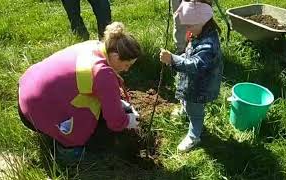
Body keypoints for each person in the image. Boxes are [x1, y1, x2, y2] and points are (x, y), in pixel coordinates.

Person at [18, 22, 141, 161]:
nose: (127, 70)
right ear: (116, 56)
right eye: (126, 65)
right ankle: (68, 154)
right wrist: (127, 120)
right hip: (33, 111)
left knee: (91, 106)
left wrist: (117, 102)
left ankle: (50, 128)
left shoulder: (95, 45)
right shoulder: (103, 74)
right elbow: (115, 122)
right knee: (87, 133)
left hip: (26, 90)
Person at [160, 0, 223, 152]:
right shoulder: (199, 33)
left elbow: (195, 65)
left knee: (195, 110)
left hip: (201, 86)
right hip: (192, 81)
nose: (187, 29)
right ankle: (184, 108)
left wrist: (173, 59)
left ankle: (194, 135)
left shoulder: (208, 45)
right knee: (186, 99)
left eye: (189, 25)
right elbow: (191, 55)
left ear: (202, 21)